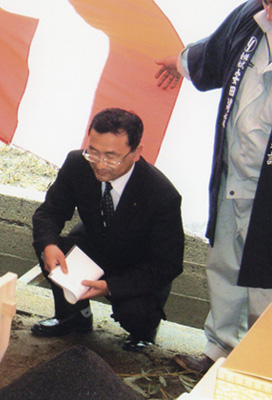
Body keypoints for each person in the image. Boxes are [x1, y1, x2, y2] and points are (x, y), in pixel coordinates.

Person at [156, 0, 272, 373]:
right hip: (236, 173)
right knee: (224, 264)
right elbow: (216, 49)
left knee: (265, 280)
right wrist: (180, 63)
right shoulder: (250, 18)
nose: (268, 11)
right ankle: (219, 351)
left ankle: (260, 365)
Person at [31, 108, 184, 351]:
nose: (100, 165)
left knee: (135, 314)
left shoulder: (162, 195)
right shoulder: (77, 164)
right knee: (52, 249)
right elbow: (49, 212)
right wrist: (49, 246)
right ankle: (73, 317)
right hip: (95, 244)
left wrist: (112, 286)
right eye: (93, 152)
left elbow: (169, 264)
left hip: (137, 266)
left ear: (136, 153)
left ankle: (143, 331)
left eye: (112, 157)